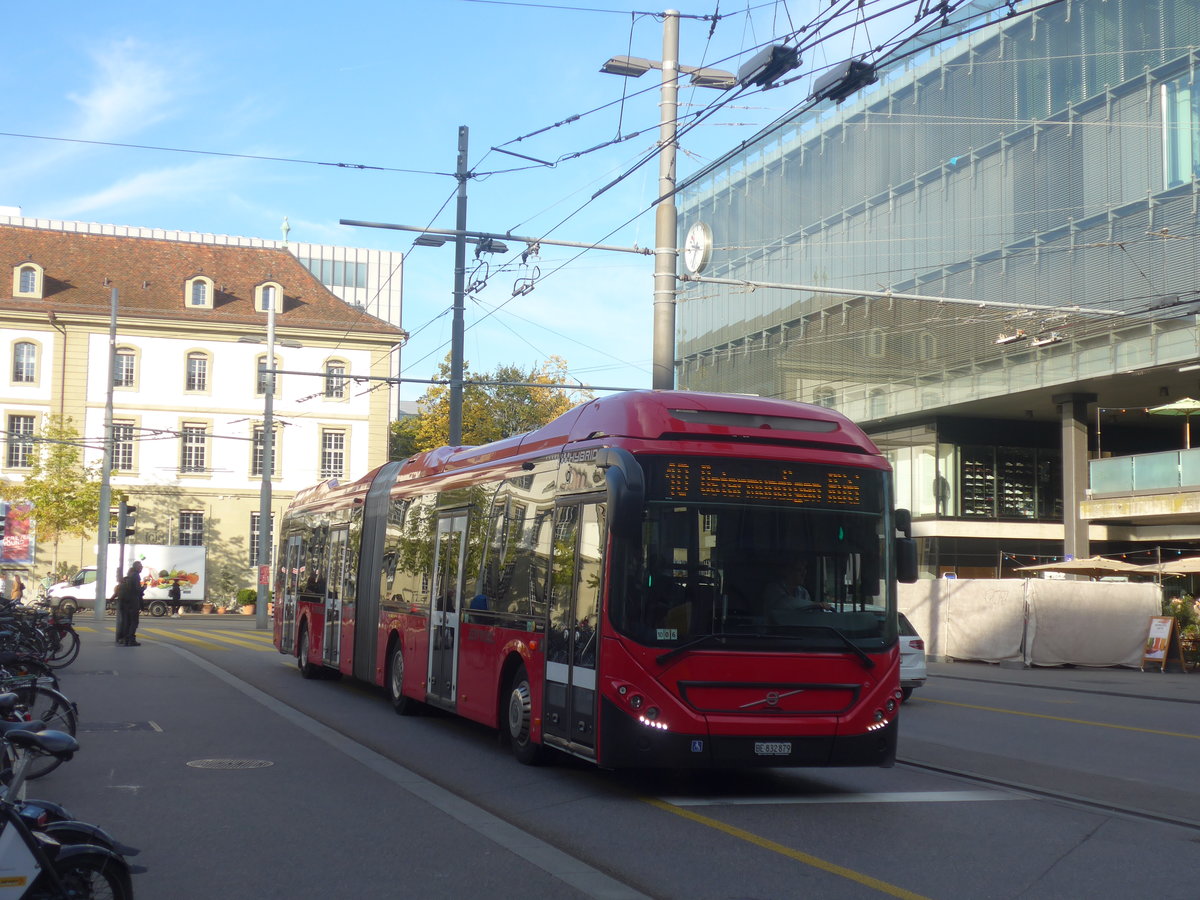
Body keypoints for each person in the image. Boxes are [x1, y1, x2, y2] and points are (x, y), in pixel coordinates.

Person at [764, 559, 829, 623]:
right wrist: (815, 604)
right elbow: (784, 603)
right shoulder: (773, 588)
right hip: (775, 630)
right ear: (787, 571)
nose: (803, 574)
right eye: (799, 570)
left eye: (804, 570)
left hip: (798, 630)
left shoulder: (803, 592)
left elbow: (809, 613)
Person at [115, 561, 145, 646]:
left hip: (127, 603)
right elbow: (136, 590)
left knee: (127, 621)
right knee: (134, 622)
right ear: (136, 567)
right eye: (140, 566)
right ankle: (131, 639)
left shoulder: (129, 577)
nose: (141, 568)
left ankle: (126, 639)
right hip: (133, 602)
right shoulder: (136, 576)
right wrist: (143, 588)